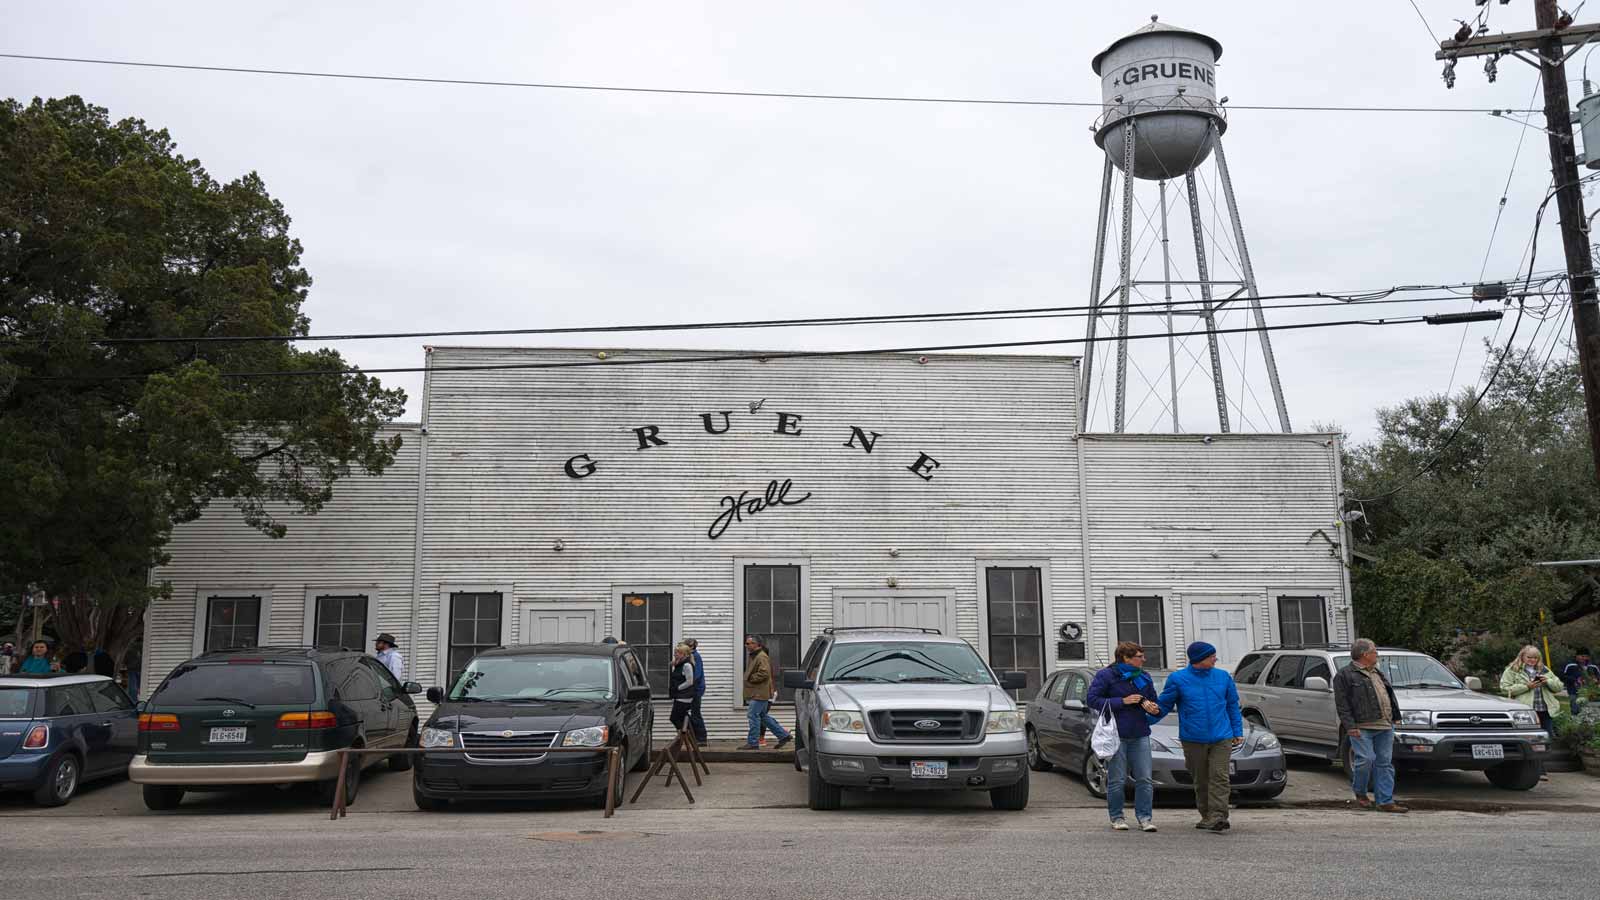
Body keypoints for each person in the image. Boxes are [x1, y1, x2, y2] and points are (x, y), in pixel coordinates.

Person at [1148, 641, 1243, 833]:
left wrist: (1237, 731)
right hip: (1193, 738)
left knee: (1220, 776)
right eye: (1212, 656)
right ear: (1200, 659)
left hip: (1221, 736)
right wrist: (1145, 719)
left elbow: (1232, 705)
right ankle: (1207, 816)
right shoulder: (1178, 679)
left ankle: (1218, 816)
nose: (1216, 659)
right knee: (1201, 779)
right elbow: (1164, 705)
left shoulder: (1223, 677)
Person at [1085, 641, 1163, 832]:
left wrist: (1152, 707)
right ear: (1126, 658)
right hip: (1116, 734)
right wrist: (1122, 701)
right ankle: (1117, 817)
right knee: (1117, 779)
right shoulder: (1107, 675)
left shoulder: (1143, 676)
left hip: (1140, 732)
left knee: (1144, 778)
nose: (1144, 659)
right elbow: (1092, 700)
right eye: (1139, 656)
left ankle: (1145, 818)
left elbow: (1152, 700)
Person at [1332, 638, 1407, 813]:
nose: (1377, 655)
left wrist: (1395, 716)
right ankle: (1360, 792)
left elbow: (1388, 695)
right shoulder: (1344, 675)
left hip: (1385, 726)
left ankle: (1385, 801)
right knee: (1366, 760)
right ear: (1365, 654)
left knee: (1385, 763)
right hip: (1361, 726)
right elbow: (1342, 705)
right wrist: (1350, 726)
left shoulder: (1377, 672)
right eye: (1374, 651)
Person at [1501, 645, 1566, 736]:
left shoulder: (1544, 669)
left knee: (1548, 736)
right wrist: (1527, 686)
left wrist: (1548, 681)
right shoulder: (1512, 670)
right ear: (1522, 656)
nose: (1532, 660)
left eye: (1535, 658)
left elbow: (1559, 687)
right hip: (1524, 711)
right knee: (1528, 736)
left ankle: (1546, 750)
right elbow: (1504, 689)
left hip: (1545, 710)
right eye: (1529, 657)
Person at [740, 634, 791, 751]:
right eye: (746, 643)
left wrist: (750, 678)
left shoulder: (761, 657)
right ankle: (784, 735)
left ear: (757, 644)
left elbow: (764, 673)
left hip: (759, 693)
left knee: (753, 715)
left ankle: (753, 742)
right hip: (759, 692)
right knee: (762, 716)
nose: (746, 645)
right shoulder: (755, 656)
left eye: (748, 643)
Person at [668, 642, 698, 735]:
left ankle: (685, 732)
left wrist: (677, 688)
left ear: (683, 654)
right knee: (679, 716)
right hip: (680, 696)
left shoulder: (687, 665)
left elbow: (689, 681)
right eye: (675, 652)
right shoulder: (679, 664)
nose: (675, 654)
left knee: (674, 718)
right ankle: (684, 730)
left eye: (677, 653)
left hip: (684, 696)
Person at [685, 638, 709, 744]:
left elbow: (697, 675)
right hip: (693, 688)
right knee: (691, 712)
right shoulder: (689, 656)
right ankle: (695, 735)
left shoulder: (695, 656)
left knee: (695, 713)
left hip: (696, 689)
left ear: (692, 647)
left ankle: (701, 738)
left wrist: (689, 684)